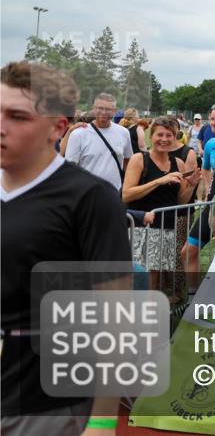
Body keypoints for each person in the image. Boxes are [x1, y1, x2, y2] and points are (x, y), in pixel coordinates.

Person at [1, 61, 130, 436]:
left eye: (18, 116)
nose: (1, 126)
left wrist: (103, 421)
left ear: (58, 127)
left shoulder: (89, 198)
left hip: (47, 403)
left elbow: (117, 318)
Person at [122, 117, 195, 295]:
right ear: (151, 136)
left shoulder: (178, 163)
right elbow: (126, 194)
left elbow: (180, 202)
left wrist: (192, 186)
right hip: (142, 227)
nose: (164, 139)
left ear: (175, 137)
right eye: (159, 134)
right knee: (142, 278)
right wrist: (159, 181)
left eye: (169, 135)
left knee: (156, 280)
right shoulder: (140, 159)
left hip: (167, 228)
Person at [183, 106, 215, 290]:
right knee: (188, 251)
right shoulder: (211, 144)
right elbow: (206, 168)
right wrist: (208, 188)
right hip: (212, 205)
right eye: (212, 119)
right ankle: (192, 298)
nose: (214, 123)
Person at [64, 93, 133, 190]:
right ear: (93, 108)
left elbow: (128, 161)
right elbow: (70, 169)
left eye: (108, 109)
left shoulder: (124, 132)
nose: (103, 112)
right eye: (100, 108)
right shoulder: (78, 134)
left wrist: (126, 186)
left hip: (115, 195)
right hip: (87, 195)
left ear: (114, 111)